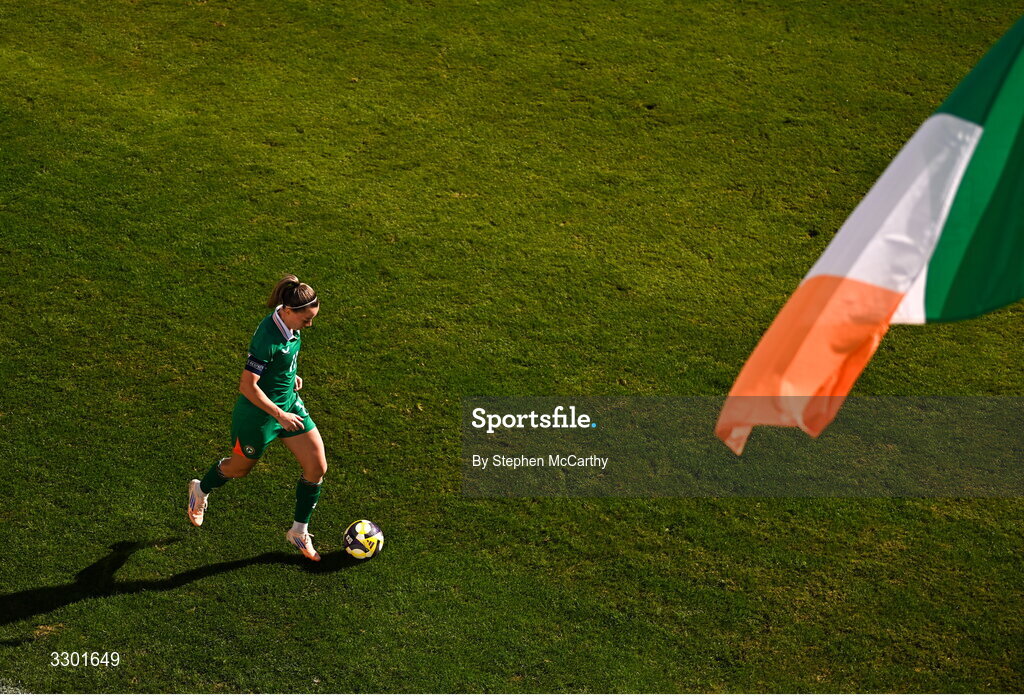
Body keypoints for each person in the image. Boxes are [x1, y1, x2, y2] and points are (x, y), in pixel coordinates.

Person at [187, 275, 326, 561]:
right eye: (306, 320)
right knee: (239, 469)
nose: (309, 325)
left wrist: (289, 377)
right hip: (259, 416)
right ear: (288, 311)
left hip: (289, 406)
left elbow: (284, 358)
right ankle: (200, 490)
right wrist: (279, 415)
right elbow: (247, 386)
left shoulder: (289, 322)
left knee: (317, 467)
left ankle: (298, 531)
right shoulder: (267, 338)